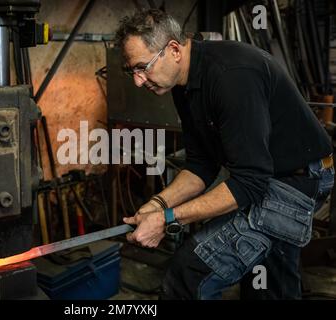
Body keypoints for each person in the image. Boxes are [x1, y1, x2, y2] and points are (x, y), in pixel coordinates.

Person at [115, 9, 334, 300]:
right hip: (266, 177)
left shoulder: (231, 76)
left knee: (189, 273)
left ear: (174, 50)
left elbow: (249, 182)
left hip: (299, 180)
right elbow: (201, 164)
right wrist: (158, 203)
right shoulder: (183, 85)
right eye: (132, 71)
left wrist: (167, 217)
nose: (138, 81)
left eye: (143, 67)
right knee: (265, 281)